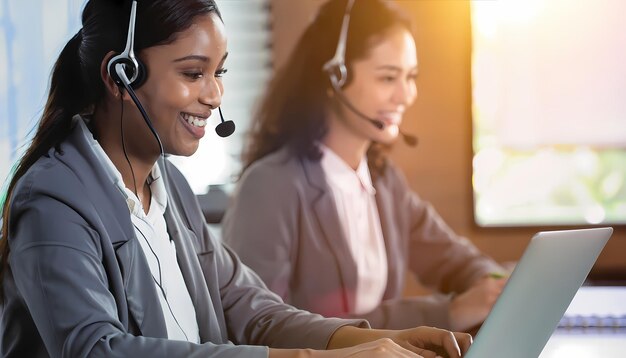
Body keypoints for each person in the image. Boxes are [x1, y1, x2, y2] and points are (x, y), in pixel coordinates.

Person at [0, 0, 473, 357]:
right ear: (119, 75)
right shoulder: (51, 200)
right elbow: (96, 349)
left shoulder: (170, 188)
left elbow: (253, 309)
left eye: (219, 72)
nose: (214, 95)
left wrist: (388, 341)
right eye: (193, 73)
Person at [223, 0, 507, 332]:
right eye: (388, 78)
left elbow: (455, 259)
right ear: (335, 76)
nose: (406, 95)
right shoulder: (271, 186)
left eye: (410, 76)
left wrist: (495, 285)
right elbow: (265, 328)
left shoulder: (385, 184)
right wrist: (445, 314)